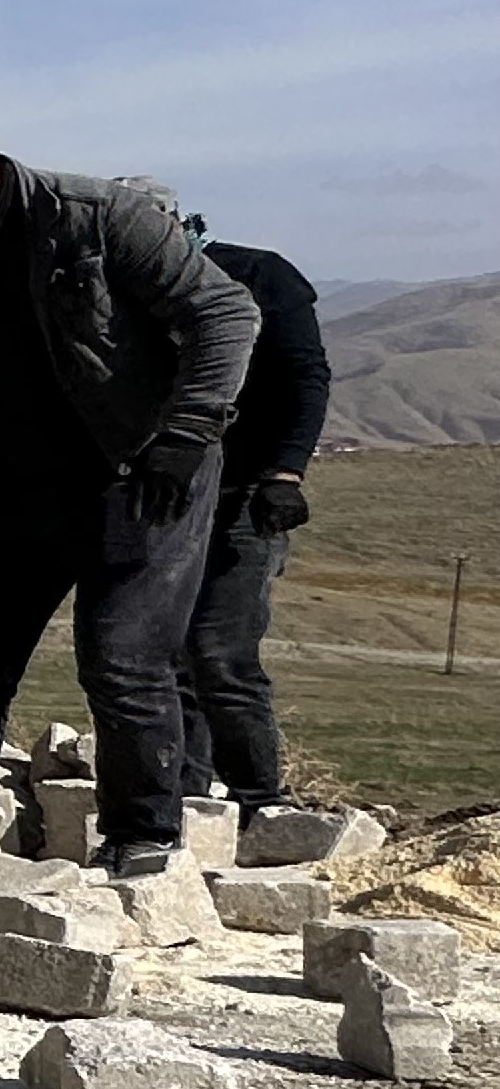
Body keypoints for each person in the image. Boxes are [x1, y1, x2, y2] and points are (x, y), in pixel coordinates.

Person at [0, 111, 262, 873]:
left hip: (138, 470)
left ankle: (141, 840)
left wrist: (184, 437)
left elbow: (225, 313)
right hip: (13, 485)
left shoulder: (99, 218)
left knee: (121, 660)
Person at [177, 227, 330, 811]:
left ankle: (260, 805)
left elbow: (305, 381)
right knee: (163, 654)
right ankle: (185, 801)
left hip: (246, 490)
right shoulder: (121, 288)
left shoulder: (261, 278)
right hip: (168, 489)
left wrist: (285, 474)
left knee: (220, 651)